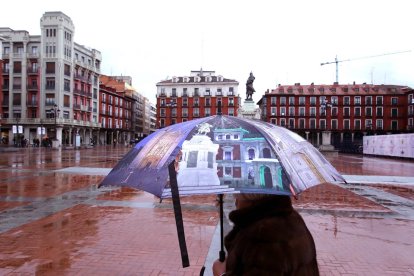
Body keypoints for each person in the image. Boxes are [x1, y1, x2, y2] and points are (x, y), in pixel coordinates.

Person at [213, 193, 319, 275]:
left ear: (251, 199)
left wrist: (220, 273)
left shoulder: (261, 235)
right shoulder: (292, 218)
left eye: (239, 196)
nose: (236, 201)